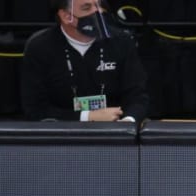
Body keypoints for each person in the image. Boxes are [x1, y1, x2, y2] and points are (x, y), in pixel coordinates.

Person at [20, 0, 148, 122]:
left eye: (98, 5)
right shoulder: (40, 47)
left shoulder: (121, 41)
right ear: (66, 16)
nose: (98, 12)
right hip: (62, 135)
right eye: (87, 8)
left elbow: (138, 96)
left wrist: (127, 122)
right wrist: (88, 116)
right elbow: (36, 110)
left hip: (116, 130)